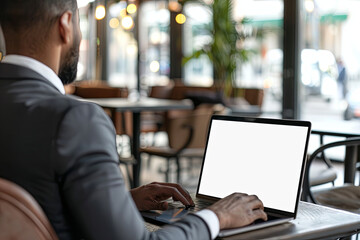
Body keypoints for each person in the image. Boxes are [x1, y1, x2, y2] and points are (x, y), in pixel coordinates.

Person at [0, 0, 267, 239]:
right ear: (66, 25)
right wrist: (216, 217)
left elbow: (37, 204)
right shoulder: (75, 119)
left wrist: (119, 203)